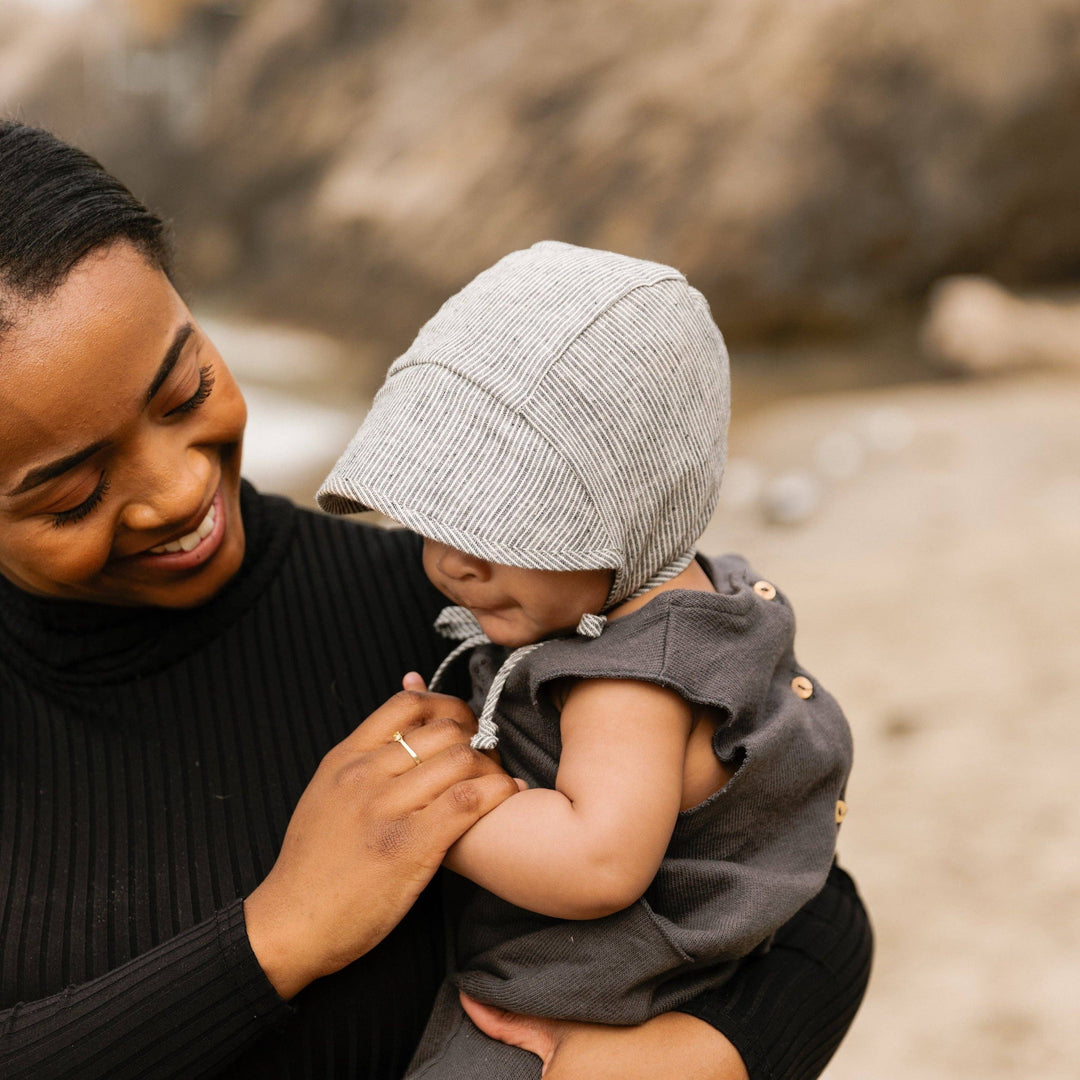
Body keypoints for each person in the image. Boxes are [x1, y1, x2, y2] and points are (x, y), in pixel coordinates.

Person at [0, 121, 872, 1080]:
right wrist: (278, 934)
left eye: (184, 390)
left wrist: (699, 1058)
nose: (174, 490)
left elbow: (803, 903)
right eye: (69, 492)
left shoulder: (476, 605)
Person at [316, 242, 854, 1080]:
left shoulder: (629, 677)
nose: (451, 564)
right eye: (432, 522)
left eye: (498, 531)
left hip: (575, 1009)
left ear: (626, 516)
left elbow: (596, 863)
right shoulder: (688, 587)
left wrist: (431, 808)